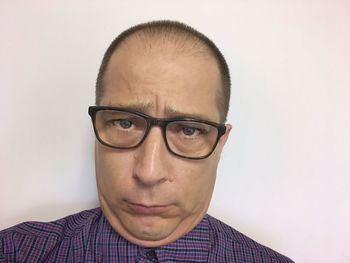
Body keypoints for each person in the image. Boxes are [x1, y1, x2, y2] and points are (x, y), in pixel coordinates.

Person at [0, 20, 293, 262]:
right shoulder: (13, 253)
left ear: (220, 143)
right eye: (125, 123)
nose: (149, 172)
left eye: (188, 130)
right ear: (96, 128)